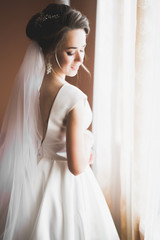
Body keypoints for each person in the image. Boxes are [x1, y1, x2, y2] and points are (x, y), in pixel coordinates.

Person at [0, 3, 119, 240]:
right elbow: (76, 166)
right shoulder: (75, 99)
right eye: (70, 51)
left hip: (38, 175)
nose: (79, 58)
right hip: (66, 185)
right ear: (50, 50)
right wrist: (87, 148)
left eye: (82, 49)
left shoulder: (33, 90)